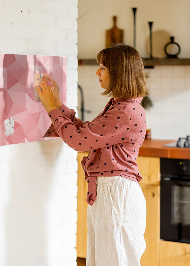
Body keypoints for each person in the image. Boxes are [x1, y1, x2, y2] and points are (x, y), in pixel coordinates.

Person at [36, 44, 148, 266]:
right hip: (111, 193)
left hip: (116, 195)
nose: (97, 72)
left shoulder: (125, 111)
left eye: (103, 67)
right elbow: (87, 133)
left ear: (119, 72)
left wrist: (51, 108)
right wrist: (57, 103)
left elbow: (79, 141)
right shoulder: (121, 106)